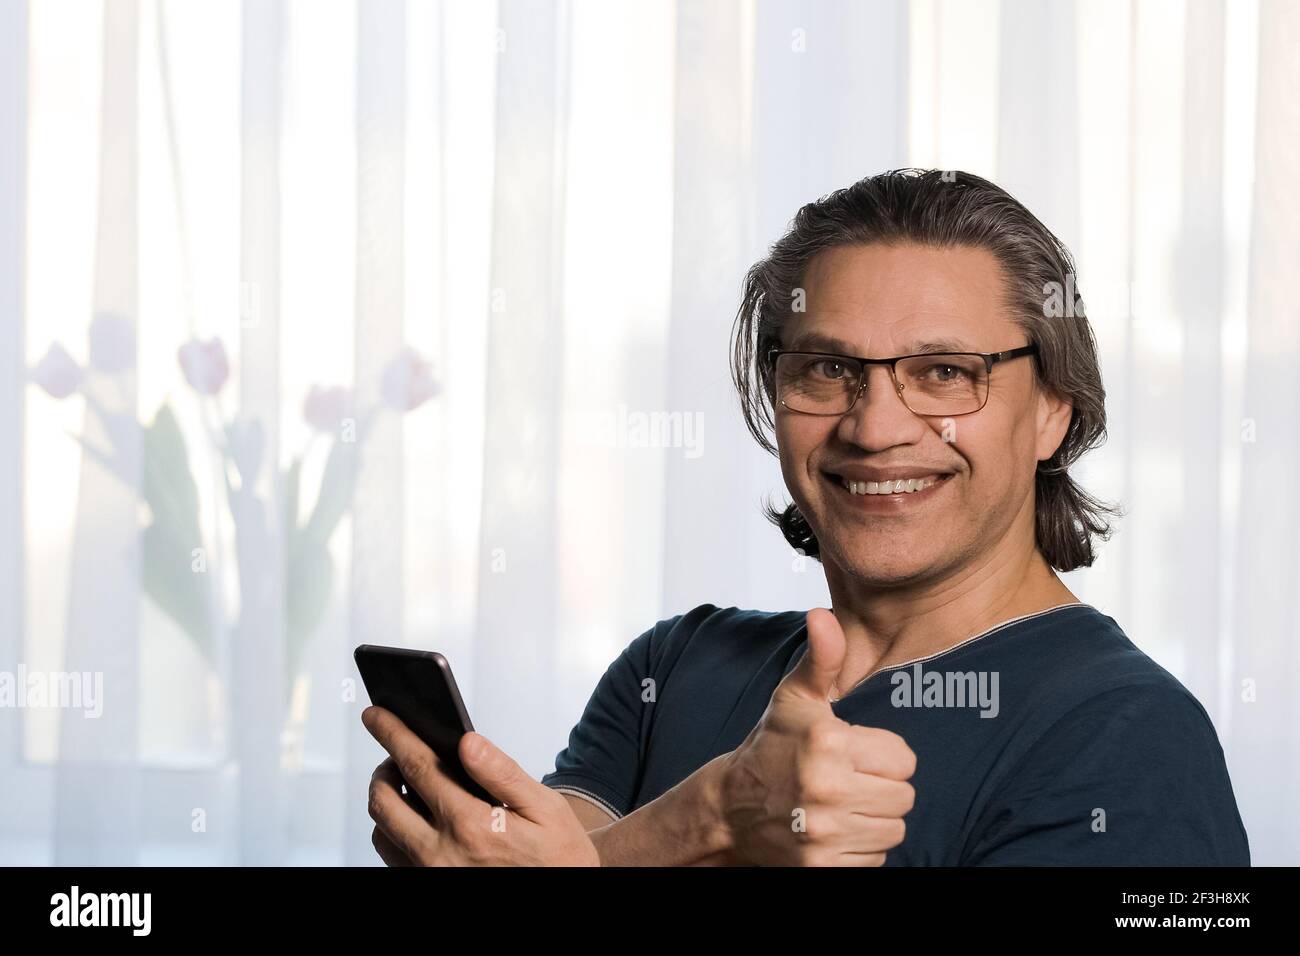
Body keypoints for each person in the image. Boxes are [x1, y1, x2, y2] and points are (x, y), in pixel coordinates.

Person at [362, 168, 1250, 866]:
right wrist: (708, 824)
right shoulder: (676, 664)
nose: (875, 426)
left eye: (945, 372)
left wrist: (703, 827)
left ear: (1053, 409)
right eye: (827, 371)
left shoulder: (1130, 738)